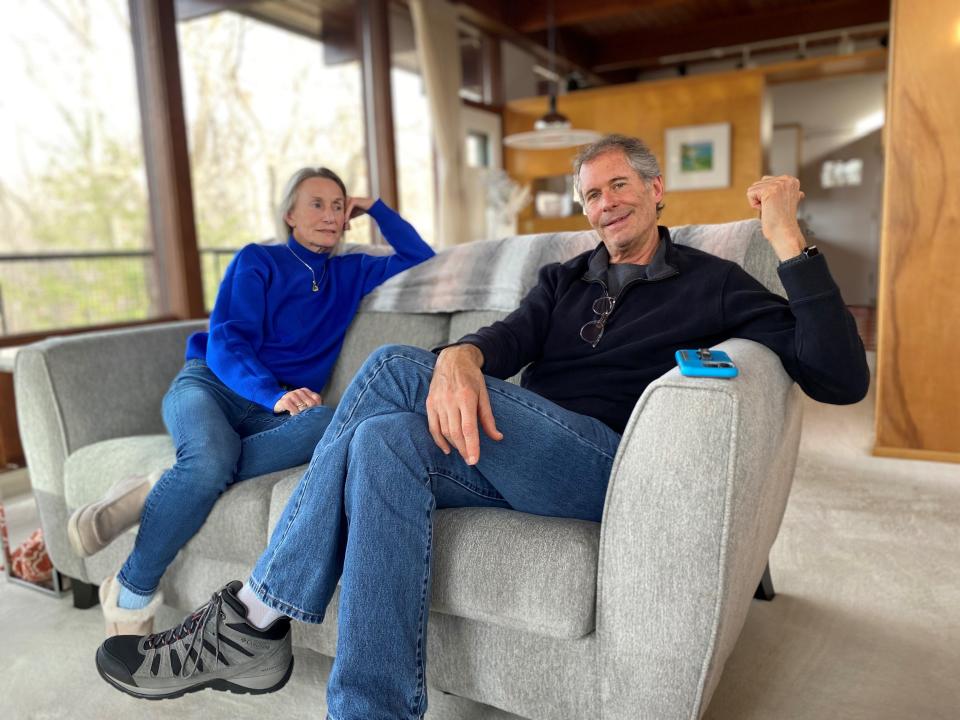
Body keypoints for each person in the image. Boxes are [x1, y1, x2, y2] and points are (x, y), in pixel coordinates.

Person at [94, 135, 869, 715]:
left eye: (620, 185)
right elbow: (507, 341)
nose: (606, 204)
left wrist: (788, 241)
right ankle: (370, 708)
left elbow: (839, 377)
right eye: (592, 195)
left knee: (400, 368)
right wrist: (466, 352)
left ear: (657, 190)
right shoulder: (564, 278)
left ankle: (256, 613)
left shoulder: (715, 284)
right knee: (377, 438)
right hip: (513, 453)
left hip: (600, 461)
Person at [70, 166, 434, 637]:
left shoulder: (353, 271)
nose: (329, 214)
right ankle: (130, 595)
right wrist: (274, 393)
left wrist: (375, 207)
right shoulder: (257, 260)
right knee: (209, 460)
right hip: (211, 385)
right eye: (316, 204)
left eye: (338, 206)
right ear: (289, 215)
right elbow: (225, 343)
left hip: (272, 414)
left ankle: (163, 484)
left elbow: (419, 254)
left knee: (327, 422)